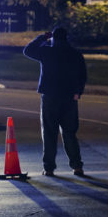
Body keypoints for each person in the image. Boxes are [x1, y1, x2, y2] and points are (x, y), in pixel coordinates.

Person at [23, 26, 87, 176]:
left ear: (53, 38)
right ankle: (77, 166)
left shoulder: (47, 51)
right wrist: (78, 92)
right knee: (70, 133)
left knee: (49, 133)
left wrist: (42, 38)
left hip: (50, 96)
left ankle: (49, 167)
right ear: (67, 38)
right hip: (69, 97)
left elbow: (28, 50)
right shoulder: (75, 54)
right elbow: (82, 75)